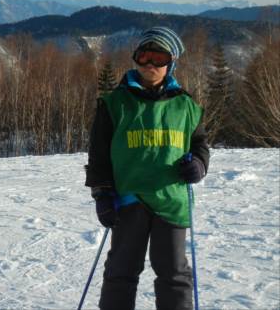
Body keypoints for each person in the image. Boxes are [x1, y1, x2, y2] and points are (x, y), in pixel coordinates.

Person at [85, 26, 209, 310]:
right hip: (129, 199)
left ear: (172, 62)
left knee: (174, 275)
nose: (150, 64)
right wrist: (102, 194)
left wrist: (200, 164)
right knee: (121, 272)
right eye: (143, 56)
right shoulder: (115, 103)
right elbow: (99, 153)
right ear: (135, 59)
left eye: (159, 57)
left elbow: (200, 143)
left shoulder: (186, 106)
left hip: (171, 200)